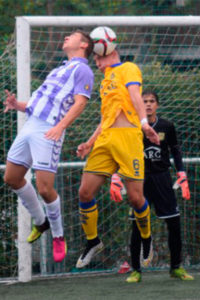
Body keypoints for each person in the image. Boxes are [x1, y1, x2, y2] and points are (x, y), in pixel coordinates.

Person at [3, 30, 94, 263]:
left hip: (50, 130)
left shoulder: (82, 69)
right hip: (31, 125)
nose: (66, 37)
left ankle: (58, 234)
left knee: (45, 189)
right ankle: (40, 221)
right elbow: (37, 104)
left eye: (72, 36)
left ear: (84, 45)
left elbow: (80, 103)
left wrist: (60, 126)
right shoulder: (59, 69)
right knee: (11, 178)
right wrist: (17, 105)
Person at [75, 42, 160, 269]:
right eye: (94, 58)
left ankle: (146, 238)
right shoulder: (105, 81)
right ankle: (93, 241)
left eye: (99, 57)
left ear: (111, 52)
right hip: (105, 140)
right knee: (84, 192)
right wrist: (89, 143)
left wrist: (144, 124)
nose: (96, 62)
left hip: (128, 139)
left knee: (135, 198)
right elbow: (106, 116)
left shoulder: (128, 68)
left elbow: (135, 96)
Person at [110, 90, 194, 282]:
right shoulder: (132, 126)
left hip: (163, 179)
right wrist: (116, 175)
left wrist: (181, 173)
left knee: (174, 223)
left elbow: (176, 150)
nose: (148, 104)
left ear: (157, 104)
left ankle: (176, 268)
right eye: (144, 101)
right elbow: (121, 152)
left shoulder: (167, 126)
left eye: (151, 101)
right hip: (139, 180)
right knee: (137, 226)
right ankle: (136, 270)